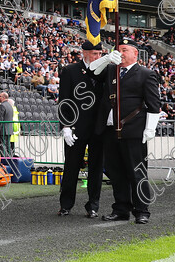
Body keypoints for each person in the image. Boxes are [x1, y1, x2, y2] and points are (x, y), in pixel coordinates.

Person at [94, 38, 159, 224]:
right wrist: (106, 58)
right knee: (116, 173)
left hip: (133, 130)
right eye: (118, 50)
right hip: (110, 130)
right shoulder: (111, 70)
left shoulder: (146, 74)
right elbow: (91, 71)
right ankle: (121, 209)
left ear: (135, 53)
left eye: (124, 50)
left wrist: (150, 129)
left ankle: (142, 210)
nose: (120, 53)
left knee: (137, 172)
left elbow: (154, 105)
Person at [57, 42, 106, 218]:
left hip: (99, 128)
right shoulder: (70, 71)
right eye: (94, 53)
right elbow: (64, 100)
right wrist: (66, 126)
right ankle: (66, 204)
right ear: (84, 53)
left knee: (96, 168)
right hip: (76, 126)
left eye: (100, 53)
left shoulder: (106, 70)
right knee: (71, 166)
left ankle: (93, 205)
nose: (97, 57)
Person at [0, 92, 14, 157]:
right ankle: (10, 161)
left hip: (2, 131)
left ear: (3, 97)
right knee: (8, 147)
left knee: (2, 148)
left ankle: (4, 162)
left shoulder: (2, 106)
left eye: (0, 96)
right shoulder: (9, 105)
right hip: (8, 130)